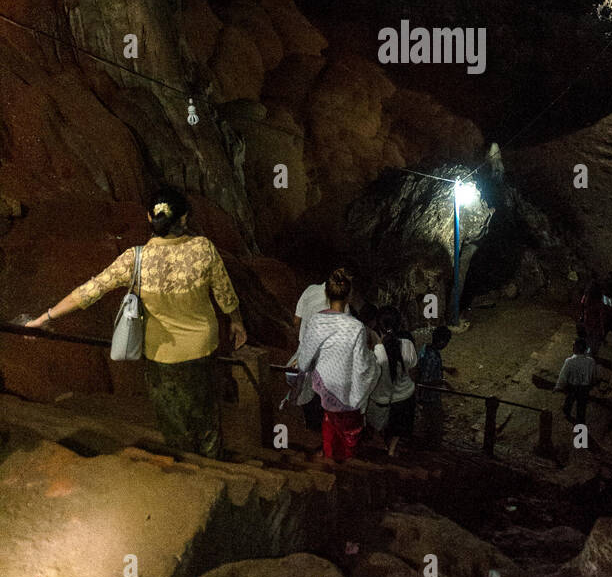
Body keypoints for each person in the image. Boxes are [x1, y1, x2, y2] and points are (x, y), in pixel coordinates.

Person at [23, 186, 246, 458]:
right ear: (185, 219)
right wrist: (236, 322)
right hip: (202, 350)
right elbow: (225, 294)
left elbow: (89, 291)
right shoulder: (203, 248)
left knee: (172, 419)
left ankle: (186, 464)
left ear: (149, 219)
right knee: (207, 414)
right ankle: (212, 460)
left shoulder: (135, 259)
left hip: (161, 355)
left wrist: (44, 318)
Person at [296, 267, 380, 462]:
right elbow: (361, 366)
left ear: (327, 293)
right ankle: (347, 466)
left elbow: (305, 360)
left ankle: (331, 464)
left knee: (329, 432)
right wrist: (375, 365)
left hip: (324, 390)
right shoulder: (356, 327)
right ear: (349, 296)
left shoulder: (316, 321)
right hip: (346, 392)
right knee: (349, 439)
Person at [367, 305, 418, 457]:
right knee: (398, 426)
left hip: (381, 399)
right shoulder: (408, 345)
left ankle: (382, 444)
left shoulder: (375, 352)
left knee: (381, 423)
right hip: (404, 398)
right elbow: (414, 375)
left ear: (378, 326)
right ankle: (392, 450)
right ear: (399, 324)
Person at [416, 325, 452, 449]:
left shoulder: (427, 349)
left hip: (428, 395)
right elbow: (426, 381)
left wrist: (445, 369)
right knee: (434, 421)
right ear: (442, 341)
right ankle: (431, 446)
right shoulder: (432, 357)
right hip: (429, 396)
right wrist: (443, 382)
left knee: (432, 420)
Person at [555, 339, 598, 425]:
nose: (572, 347)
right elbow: (593, 375)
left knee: (569, 401)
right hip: (584, 388)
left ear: (576, 348)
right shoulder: (591, 361)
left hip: (572, 387)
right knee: (581, 406)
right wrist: (592, 384)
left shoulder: (569, 361)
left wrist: (558, 387)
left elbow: (563, 376)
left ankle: (567, 413)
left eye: (573, 345)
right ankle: (581, 423)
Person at [579, 275, 605, 356]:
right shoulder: (598, 301)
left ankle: (586, 352)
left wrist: (582, 315)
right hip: (595, 322)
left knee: (587, 338)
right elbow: (601, 313)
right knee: (594, 339)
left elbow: (582, 304)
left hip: (587, 320)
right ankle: (591, 353)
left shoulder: (586, 297)